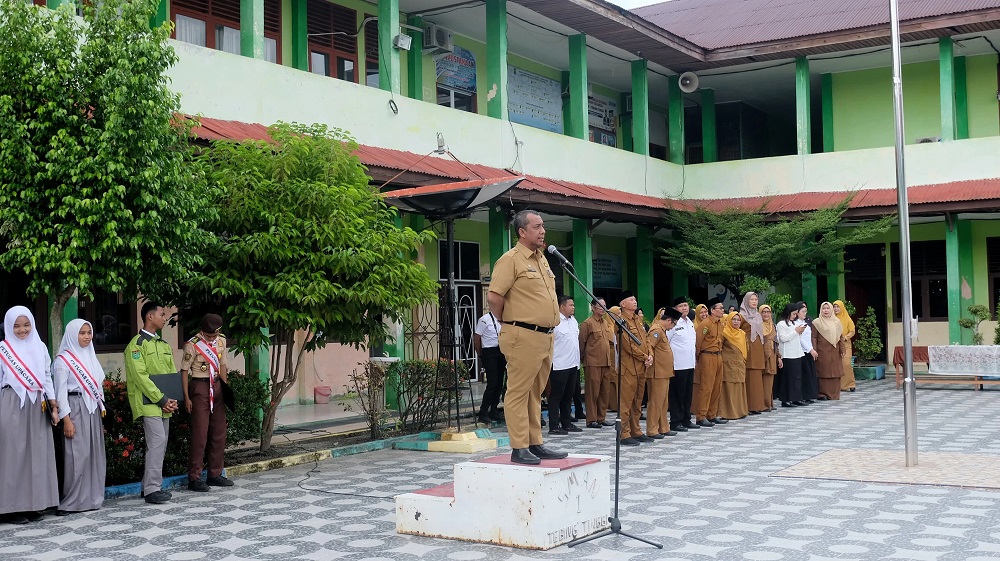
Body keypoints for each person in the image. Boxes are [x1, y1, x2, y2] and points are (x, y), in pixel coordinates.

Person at [487, 210, 567, 465]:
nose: (542, 231)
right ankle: (519, 446)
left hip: (545, 336)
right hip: (522, 334)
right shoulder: (510, 260)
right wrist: (507, 322)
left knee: (536, 392)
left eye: (543, 226)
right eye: (537, 226)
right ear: (522, 232)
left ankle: (535, 442)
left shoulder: (542, 259)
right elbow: (494, 297)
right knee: (518, 392)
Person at [0, 306, 59, 524]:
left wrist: (54, 405)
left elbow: (46, 377)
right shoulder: (3, 349)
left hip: (37, 405)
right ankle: (10, 508)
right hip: (10, 403)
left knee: (37, 454)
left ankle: (34, 504)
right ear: (8, 326)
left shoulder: (40, 346)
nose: (22, 330)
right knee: (13, 455)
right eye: (16, 326)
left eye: (26, 325)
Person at [125, 301, 180, 504]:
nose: (165, 318)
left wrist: (172, 399)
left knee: (160, 444)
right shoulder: (137, 345)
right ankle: (152, 490)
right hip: (149, 403)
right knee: (157, 443)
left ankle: (146, 486)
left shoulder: (163, 345)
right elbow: (140, 377)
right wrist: (161, 399)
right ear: (150, 317)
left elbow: (171, 374)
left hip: (164, 404)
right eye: (162, 314)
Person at [52, 319, 106, 515]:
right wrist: (66, 419)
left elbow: (98, 384)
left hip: (92, 409)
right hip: (74, 408)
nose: (86, 336)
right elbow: (60, 394)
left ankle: (92, 498)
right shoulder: (62, 361)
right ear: (72, 335)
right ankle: (71, 501)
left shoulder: (91, 355)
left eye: (88, 332)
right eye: (81, 333)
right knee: (77, 455)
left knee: (93, 454)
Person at [181, 313, 234, 491]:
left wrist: (225, 390)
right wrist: (187, 397)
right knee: (200, 434)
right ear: (202, 331)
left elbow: (223, 365)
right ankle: (194, 477)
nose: (212, 338)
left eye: (214, 335)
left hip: (217, 386)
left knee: (219, 432)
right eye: (209, 335)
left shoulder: (221, 341)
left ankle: (215, 474)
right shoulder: (192, 344)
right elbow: (184, 371)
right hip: (200, 387)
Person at [612, 291, 653, 446]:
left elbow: (646, 339)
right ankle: (624, 433)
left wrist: (650, 355)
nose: (635, 301)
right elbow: (628, 345)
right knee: (625, 402)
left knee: (637, 401)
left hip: (641, 367)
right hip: (628, 368)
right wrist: (644, 356)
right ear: (623, 304)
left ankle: (636, 430)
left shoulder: (638, 320)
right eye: (631, 299)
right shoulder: (620, 321)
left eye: (635, 299)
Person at [548, 296, 582, 436]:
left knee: (569, 395)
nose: (573, 307)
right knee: (556, 396)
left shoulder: (573, 321)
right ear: (562, 307)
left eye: (574, 305)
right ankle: (554, 425)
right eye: (571, 305)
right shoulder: (555, 322)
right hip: (559, 364)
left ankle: (566, 423)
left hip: (573, 364)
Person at [579, 298, 615, 429]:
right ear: (593, 307)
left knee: (604, 392)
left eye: (604, 305)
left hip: (605, 362)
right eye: (599, 305)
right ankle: (591, 419)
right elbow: (581, 344)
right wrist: (585, 360)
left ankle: (601, 418)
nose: (603, 308)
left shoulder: (605, 323)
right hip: (593, 362)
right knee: (592, 392)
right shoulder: (587, 324)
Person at [646, 307, 680, 439]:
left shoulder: (662, 330)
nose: (673, 327)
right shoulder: (656, 330)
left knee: (663, 402)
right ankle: (652, 430)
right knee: (655, 402)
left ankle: (663, 427)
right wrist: (650, 358)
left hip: (664, 372)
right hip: (657, 372)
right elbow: (650, 346)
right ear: (669, 320)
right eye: (674, 323)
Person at [695, 298, 728, 427]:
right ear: (712, 310)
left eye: (722, 308)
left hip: (719, 355)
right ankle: (701, 416)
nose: (722, 310)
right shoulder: (705, 324)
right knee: (706, 387)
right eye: (720, 308)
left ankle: (712, 414)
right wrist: (698, 358)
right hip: (707, 356)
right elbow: (698, 343)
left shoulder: (721, 323)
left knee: (716, 387)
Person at [668, 297, 698, 432]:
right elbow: (666, 343)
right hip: (678, 364)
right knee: (677, 394)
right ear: (675, 309)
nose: (684, 308)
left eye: (686, 305)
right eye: (681, 306)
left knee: (687, 393)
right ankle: (676, 421)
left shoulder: (690, 323)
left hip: (690, 363)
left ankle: (686, 419)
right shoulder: (673, 323)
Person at [474, 309, 506, 424]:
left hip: (501, 351)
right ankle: (483, 412)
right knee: (492, 383)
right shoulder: (484, 319)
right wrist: (480, 354)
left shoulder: (504, 319)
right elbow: (477, 338)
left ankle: (494, 411)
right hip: (489, 352)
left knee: (499, 384)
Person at [812, 302, 846, 401]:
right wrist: (814, 349)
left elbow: (840, 337)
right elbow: (813, 337)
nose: (826, 310)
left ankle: (834, 394)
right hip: (822, 351)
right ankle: (822, 394)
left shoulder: (837, 322)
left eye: (827, 308)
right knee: (823, 372)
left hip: (835, 351)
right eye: (824, 308)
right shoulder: (816, 322)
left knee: (835, 372)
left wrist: (842, 349)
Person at [739, 293, 767, 415]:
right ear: (746, 301)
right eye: (752, 299)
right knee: (749, 378)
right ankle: (748, 406)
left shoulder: (758, 316)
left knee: (756, 378)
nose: (754, 301)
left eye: (756, 299)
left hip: (758, 349)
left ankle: (757, 405)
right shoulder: (741, 316)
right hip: (748, 350)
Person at [719, 311, 749, 420]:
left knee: (739, 387)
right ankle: (728, 413)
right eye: (734, 319)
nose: (736, 322)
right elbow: (719, 347)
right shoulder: (724, 332)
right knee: (728, 388)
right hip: (728, 365)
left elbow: (746, 347)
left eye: (738, 319)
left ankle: (740, 411)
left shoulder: (742, 333)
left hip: (740, 364)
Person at [776, 302, 807, 407]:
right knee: (788, 378)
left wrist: (799, 332)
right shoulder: (781, 324)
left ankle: (796, 398)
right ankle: (786, 399)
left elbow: (796, 338)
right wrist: (795, 331)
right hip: (788, 354)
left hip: (797, 353)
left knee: (797, 377)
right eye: (793, 314)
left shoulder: (794, 323)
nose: (795, 316)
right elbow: (783, 338)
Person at [797, 303, 819, 404]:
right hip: (802, 351)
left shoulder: (806, 322)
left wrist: (811, 349)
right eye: (803, 312)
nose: (805, 314)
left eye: (806, 311)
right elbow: (800, 339)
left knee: (809, 374)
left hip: (808, 350)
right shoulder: (796, 324)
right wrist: (810, 350)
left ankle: (809, 395)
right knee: (803, 375)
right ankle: (802, 396)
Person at [834, 300, 857, 392]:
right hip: (834, 344)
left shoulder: (847, 318)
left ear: (842, 308)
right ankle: (837, 386)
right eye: (834, 307)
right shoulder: (831, 319)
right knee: (836, 365)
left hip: (845, 343)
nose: (836, 309)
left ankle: (850, 384)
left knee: (846, 364)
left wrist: (846, 337)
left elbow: (852, 331)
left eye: (838, 307)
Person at [759, 304, 778, 412]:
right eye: (763, 312)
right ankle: (764, 404)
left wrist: (779, 357)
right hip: (761, 355)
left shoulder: (773, 325)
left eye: (768, 312)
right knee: (762, 380)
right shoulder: (758, 325)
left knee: (769, 380)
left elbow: (776, 342)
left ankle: (769, 403)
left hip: (772, 355)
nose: (766, 314)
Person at [691, 303, 709, 414]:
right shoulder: (694, 325)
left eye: (705, 312)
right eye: (701, 312)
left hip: (707, 358)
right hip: (697, 358)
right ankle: (695, 408)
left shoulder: (710, 324)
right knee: (697, 383)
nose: (703, 314)